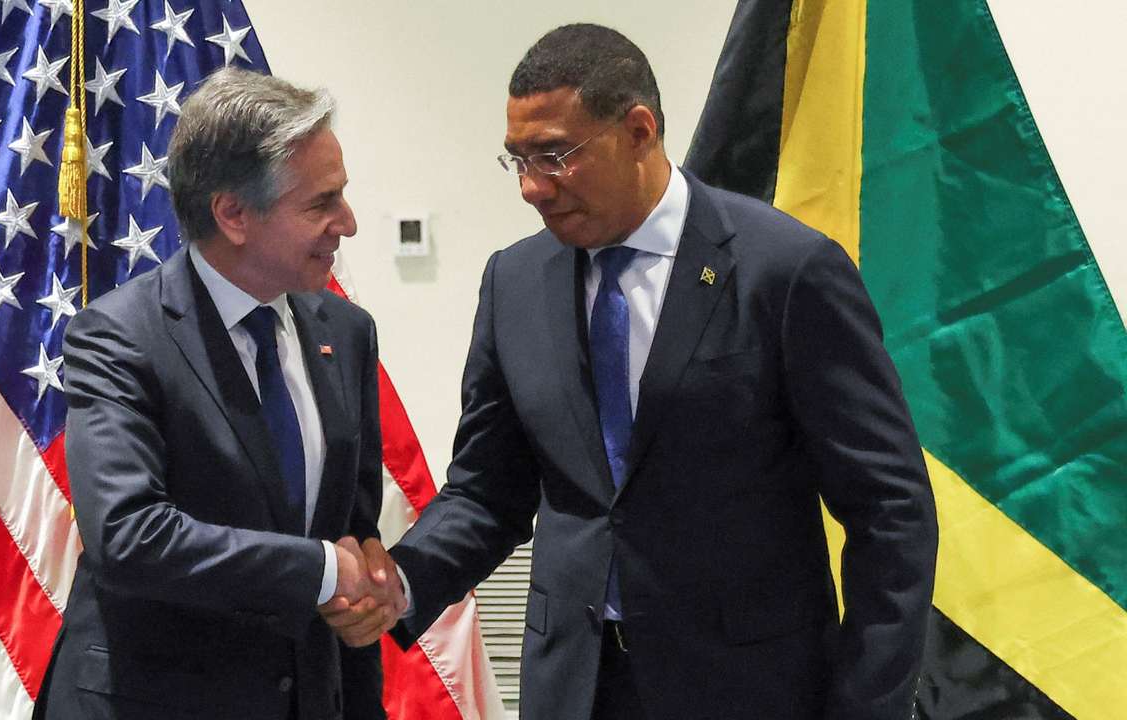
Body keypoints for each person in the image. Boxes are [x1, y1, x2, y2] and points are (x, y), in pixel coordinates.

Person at [387, 23, 938, 720]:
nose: (531, 187)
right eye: (518, 160)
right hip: (575, 690)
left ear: (638, 131)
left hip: (748, 691)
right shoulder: (514, 282)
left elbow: (890, 511)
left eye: (554, 156)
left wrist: (867, 704)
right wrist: (398, 582)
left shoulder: (785, 271)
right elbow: (487, 491)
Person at [33, 67, 403, 720]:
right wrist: (320, 571)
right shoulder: (120, 338)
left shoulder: (346, 332)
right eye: (321, 203)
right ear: (233, 214)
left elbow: (351, 530)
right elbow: (128, 535)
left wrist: (364, 589)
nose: (346, 223)